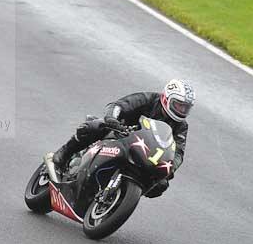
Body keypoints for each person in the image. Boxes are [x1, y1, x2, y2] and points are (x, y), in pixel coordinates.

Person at [52, 79, 195, 197]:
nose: (181, 110)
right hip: (121, 135)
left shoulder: (181, 126)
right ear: (166, 98)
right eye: (178, 105)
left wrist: (170, 168)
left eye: (185, 108)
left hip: (145, 154)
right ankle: (64, 153)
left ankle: (121, 197)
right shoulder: (148, 99)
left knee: (161, 185)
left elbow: (178, 152)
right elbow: (119, 105)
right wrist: (112, 119)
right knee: (94, 126)